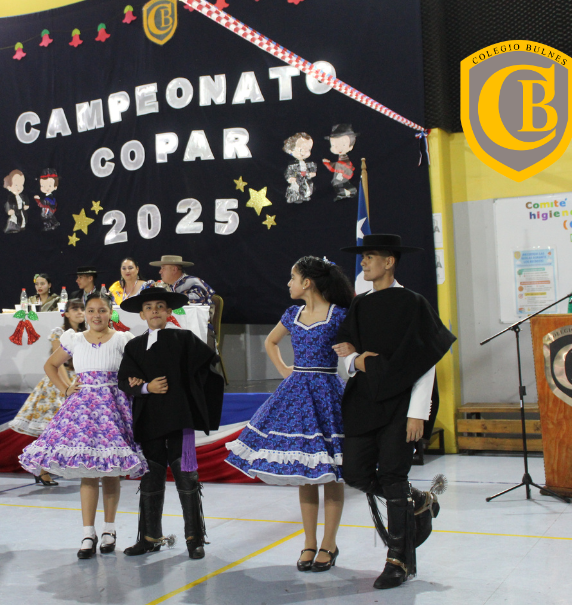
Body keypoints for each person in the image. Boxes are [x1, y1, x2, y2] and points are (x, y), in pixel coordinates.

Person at [332, 234, 453, 589]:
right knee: (354, 471)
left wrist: (418, 412)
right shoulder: (360, 304)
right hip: (363, 401)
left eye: (370, 256)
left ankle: (398, 559)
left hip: (402, 406)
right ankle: (420, 500)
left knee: (393, 477)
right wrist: (357, 361)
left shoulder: (413, 303)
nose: (364, 262)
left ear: (389, 262)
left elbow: (425, 362)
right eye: (363, 257)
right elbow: (345, 357)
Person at [224, 256, 354, 572]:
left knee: (331, 471)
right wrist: (285, 369)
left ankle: (329, 542)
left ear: (307, 282)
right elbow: (271, 342)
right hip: (297, 394)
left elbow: (357, 347)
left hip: (326, 393)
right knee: (304, 471)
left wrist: (350, 350)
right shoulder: (292, 314)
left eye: (292, 277)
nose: (288, 283)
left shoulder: (339, 315)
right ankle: (309, 542)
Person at [19, 295, 146, 559]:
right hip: (83, 410)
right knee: (88, 472)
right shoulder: (74, 340)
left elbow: (138, 368)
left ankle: (109, 529)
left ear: (111, 312)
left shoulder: (123, 340)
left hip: (112, 409)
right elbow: (51, 365)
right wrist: (66, 388)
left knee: (111, 472)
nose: (96, 315)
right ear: (85, 313)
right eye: (91, 311)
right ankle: (88, 532)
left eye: (102, 310)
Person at [117, 287, 224, 560]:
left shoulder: (184, 339)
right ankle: (150, 537)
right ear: (141, 314)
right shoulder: (134, 346)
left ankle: (194, 539)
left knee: (186, 477)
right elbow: (125, 380)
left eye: (160, 306)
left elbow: (209, 363)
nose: (154, 311)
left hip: (179, 418)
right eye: (149, 307)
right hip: (149, 420)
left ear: (168, 312)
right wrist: (146, 388)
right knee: (151, 478)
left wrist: (190, 390)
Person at [10, 298, 87, 484]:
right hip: (59, 383)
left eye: (82, 309)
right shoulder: (59, 333)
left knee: (73, 429)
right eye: (74, 309)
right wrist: (67, 387)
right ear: (66, 313)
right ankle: (41, 469)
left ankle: (69, 467)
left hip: (78, 380)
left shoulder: (86, 334)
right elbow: (57, 363)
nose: (79, 312)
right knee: (53, 430)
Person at [151, 255, 218, 343]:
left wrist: (170, 299)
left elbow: (198, 299)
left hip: (198, 329)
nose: (160, 272)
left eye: (163, 268)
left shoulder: (193, 282)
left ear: (174, 269)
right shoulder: (168, 286)